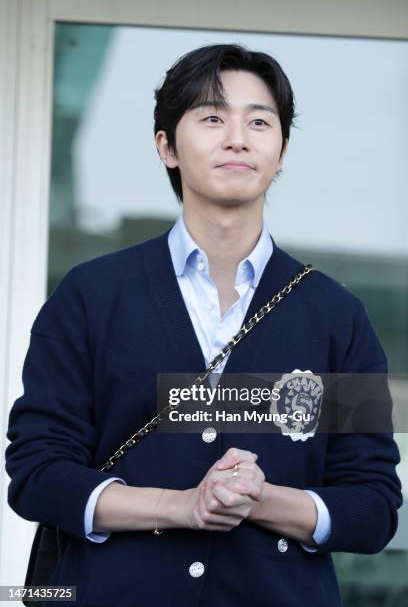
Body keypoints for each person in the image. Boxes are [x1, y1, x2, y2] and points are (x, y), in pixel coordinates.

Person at [5, 43, 403, 607]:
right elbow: (38, 472)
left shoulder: (335, 316)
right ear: (166, 146)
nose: (237, 138)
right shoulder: (92, 296)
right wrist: (182, 505)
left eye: (259, 121)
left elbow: (372, 505)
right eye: (212, 117)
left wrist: (258, 498)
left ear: (282, 149)